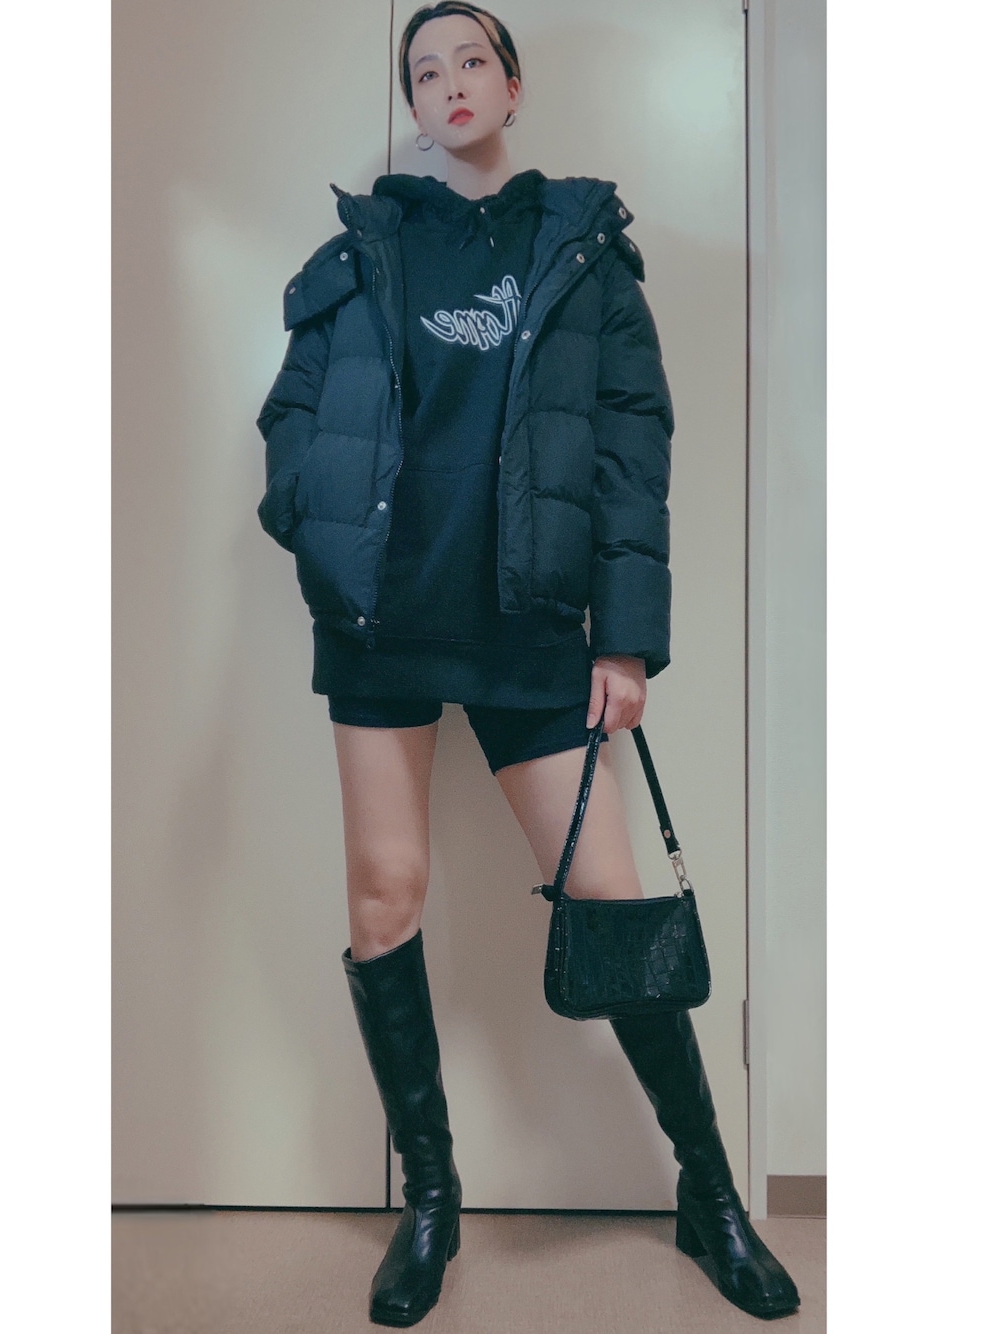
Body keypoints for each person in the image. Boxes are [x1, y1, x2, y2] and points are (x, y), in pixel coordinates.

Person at [256, 2, 800, 1325]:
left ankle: (709, 1190)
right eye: (424, 69)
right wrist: (316, 529)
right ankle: (432, 1200)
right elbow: (291, 416)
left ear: (513, 85)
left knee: (609, 902)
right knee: (384, 894)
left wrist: (626, 635)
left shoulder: (584, 251)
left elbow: (631, 450)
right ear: (413, 103)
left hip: (530, 622)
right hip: (382, 624)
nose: (449, 82)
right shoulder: (362, 250)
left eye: (472, 61)